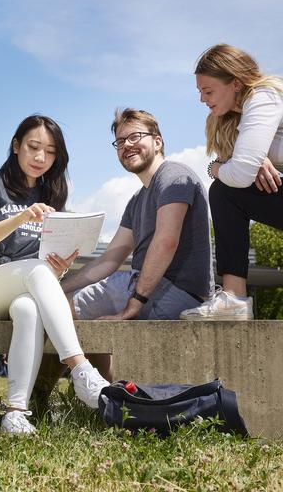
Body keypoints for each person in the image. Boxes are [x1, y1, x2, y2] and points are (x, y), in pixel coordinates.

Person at [0, 114, 110, 435]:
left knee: (29, 309)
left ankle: (15, 413)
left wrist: (60, 265)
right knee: (37, 273)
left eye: (51, 151)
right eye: (33, 147)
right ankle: (80, 368)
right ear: (16, 146)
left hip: (27, 284)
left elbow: (41, 261)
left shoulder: (51, 194)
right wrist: (21, 218)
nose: (41, 157)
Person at [61, 108, 212, 378]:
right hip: (145, 285)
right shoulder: (137, 200)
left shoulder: (174, 177)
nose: (126, 145)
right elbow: (109, 261)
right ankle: (106, 394)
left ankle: (69, 397)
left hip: (176, 290)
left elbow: (166, 241)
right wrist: (56, 289)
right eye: (120, 141)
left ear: (157, 141)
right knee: (57, 303)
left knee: (60, 312)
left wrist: (134, 303)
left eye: (134, 137)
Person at [180, 44, 283, 320]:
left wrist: (224, 167)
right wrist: (239, 163)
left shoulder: (264, 96)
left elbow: (239, 174)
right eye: (200, 92)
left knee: (225, 189)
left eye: (208, 91)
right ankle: (233, 299)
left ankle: (234, 297)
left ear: (235, 84)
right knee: (227, 192)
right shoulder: (234, 122)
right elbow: (240, 171)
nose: (202, 99)